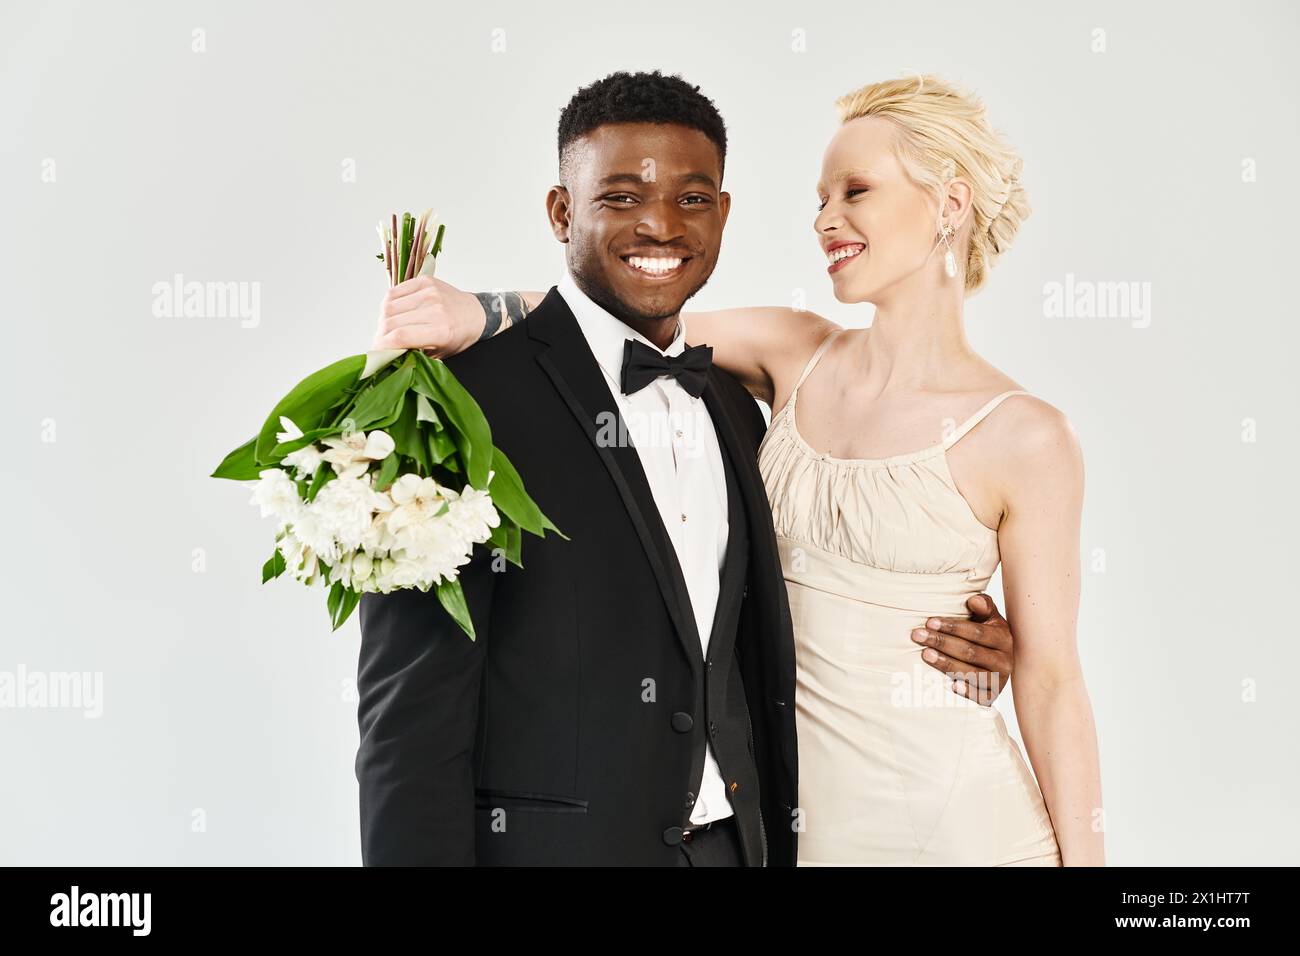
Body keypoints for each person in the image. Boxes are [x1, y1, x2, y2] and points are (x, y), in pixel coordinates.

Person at [359, 70, 1026, 866]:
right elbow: (409, 726)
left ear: (723, 213)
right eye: (619, 198)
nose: (659, 226)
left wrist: (954, 648)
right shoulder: (462, 406)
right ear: (561, 211)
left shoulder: (738, 410)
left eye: (691, 198)